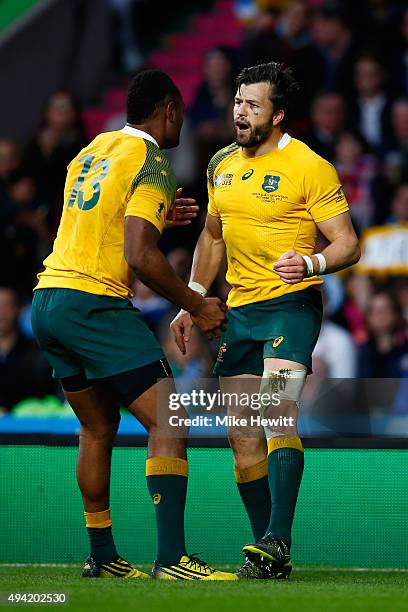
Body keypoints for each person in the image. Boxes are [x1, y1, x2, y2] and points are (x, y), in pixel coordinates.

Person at [31, 70, 236, 581]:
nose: (183, 122)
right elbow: (140, 257)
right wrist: (199, 302)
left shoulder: (93, 149)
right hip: (94, 303)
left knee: (97, 427)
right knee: (170, 420)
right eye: (181, 112)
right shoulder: (152, 160)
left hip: (48, 299)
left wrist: (160, 218)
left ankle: (102, 555)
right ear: (168, 109)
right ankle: (172, 559)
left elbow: (95, 222)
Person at [171, 62, 360, 579]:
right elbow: (211, 238)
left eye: (253, 105)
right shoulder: (220, 165)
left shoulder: (309, 165)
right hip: (242, 311)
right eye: (237, 102)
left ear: (276, 115)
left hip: (292, 306)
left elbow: (348, 243)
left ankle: (278, 538)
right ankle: (266, 550)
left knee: (277, 415)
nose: (240, 112)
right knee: (242, 434)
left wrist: (313, 263)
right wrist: (191, 298)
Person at [0, 287, 56, 413]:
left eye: (6, 305)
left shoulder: (38, 352)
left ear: (19, 310)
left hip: (29, 424)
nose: (1, 312)